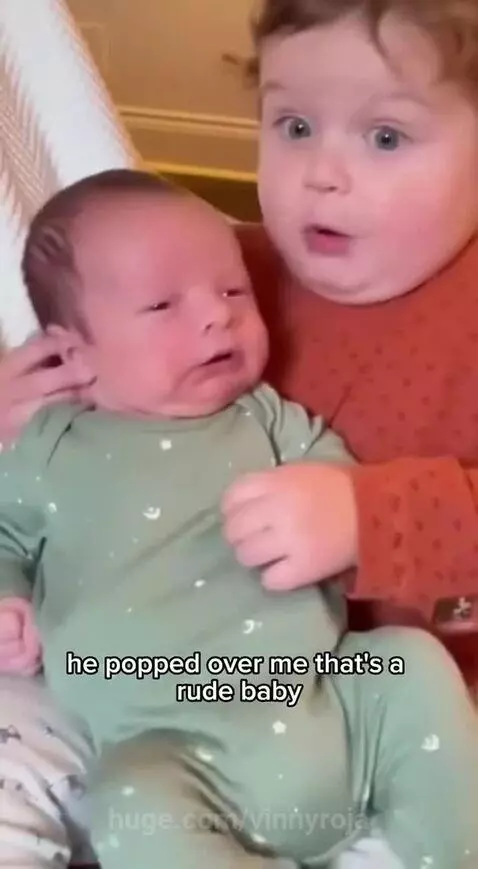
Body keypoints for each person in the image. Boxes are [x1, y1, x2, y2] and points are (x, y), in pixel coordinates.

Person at [2, 0, 478, 865]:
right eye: (294, 126)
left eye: (384, 137)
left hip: (381, 699)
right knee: (121, 795)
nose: (322, 175)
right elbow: (83, 361)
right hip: (169, 704)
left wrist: (372, 518)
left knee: (414, 671)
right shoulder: (217, 267)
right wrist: (18, 406)